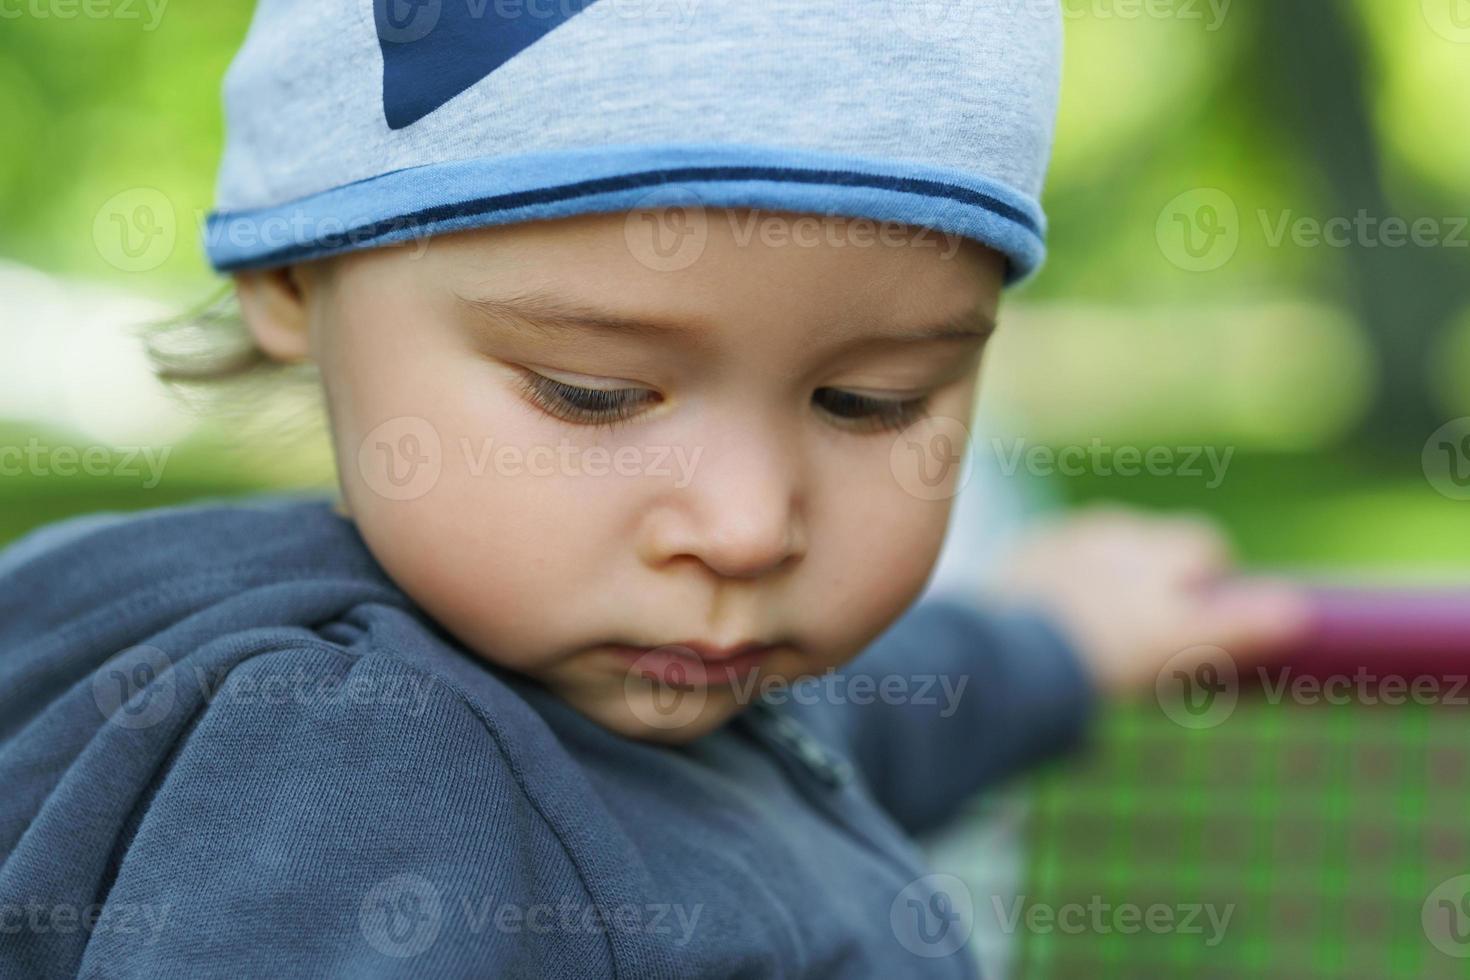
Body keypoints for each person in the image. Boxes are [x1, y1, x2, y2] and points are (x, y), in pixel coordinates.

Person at [0, 1, 1307, 976]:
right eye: (592, 395)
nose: (744, 530)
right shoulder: (354, 755)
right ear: (292, 282)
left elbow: (812, 746)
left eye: (870, 402)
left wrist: (1050, 647)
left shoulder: (599, 676)